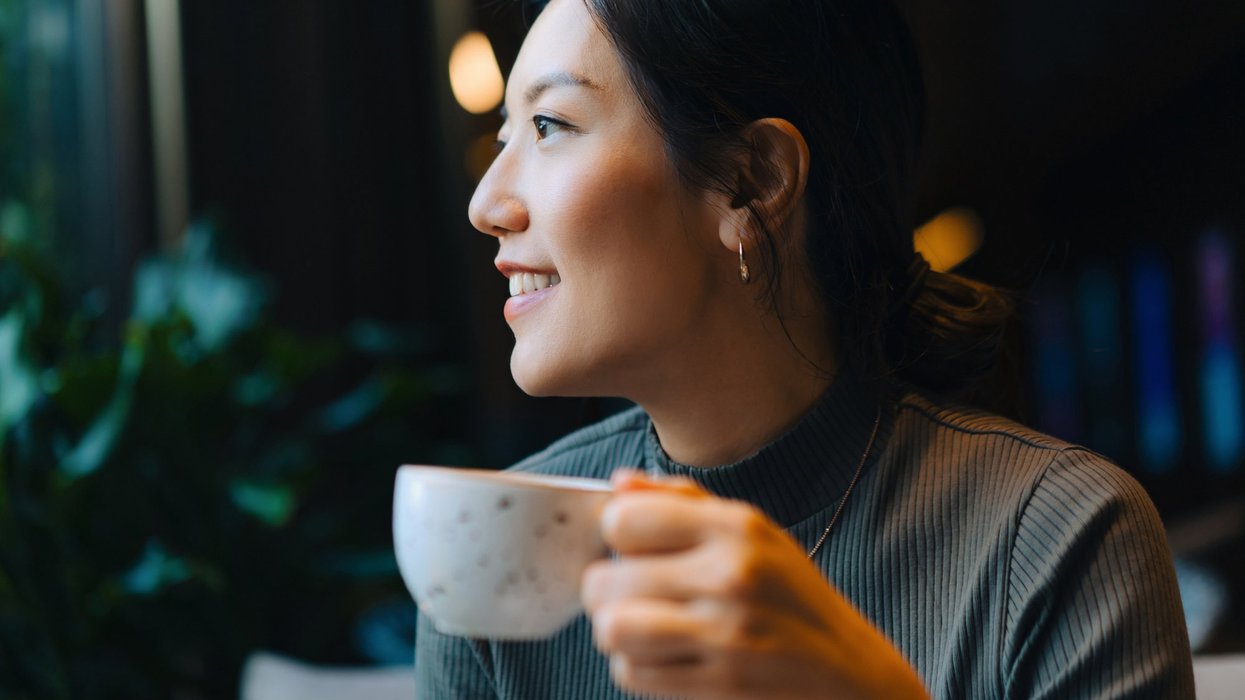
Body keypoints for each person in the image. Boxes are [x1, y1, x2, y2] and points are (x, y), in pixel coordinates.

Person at [416, 0, 1196, 697]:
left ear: (752, 181)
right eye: (504, 136)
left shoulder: (1058, 539)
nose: (486, 203)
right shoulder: (494, 550)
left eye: (550, 126)